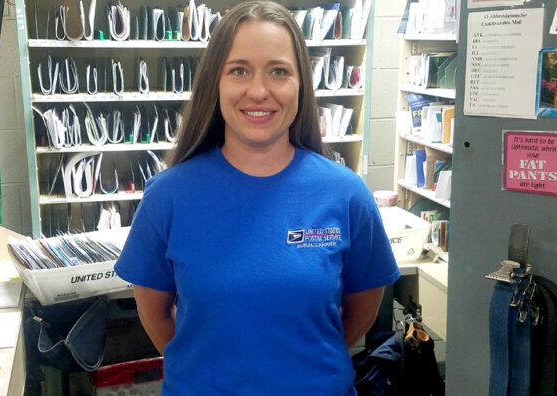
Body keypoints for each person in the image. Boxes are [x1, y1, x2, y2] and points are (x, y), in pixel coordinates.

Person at [114, 2, 400, 394]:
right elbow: (155, 316)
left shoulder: (347, 194)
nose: (259, 91)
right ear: (216, 82)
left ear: (301, 83)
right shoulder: (168, 196)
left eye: (279, 71)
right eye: (239, 70)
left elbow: (361, 311)